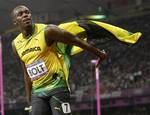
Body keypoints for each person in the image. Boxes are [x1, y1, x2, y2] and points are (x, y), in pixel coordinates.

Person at [11, 5, 107, 115]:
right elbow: (26, 73)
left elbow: (75, 40)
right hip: (37, 93)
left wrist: (99, 54)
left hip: (57, 89)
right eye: (20, 14)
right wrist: (29, 100)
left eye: (27, 12)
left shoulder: (47, 31)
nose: (25, 15)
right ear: (15, 21)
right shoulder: (16, 44)